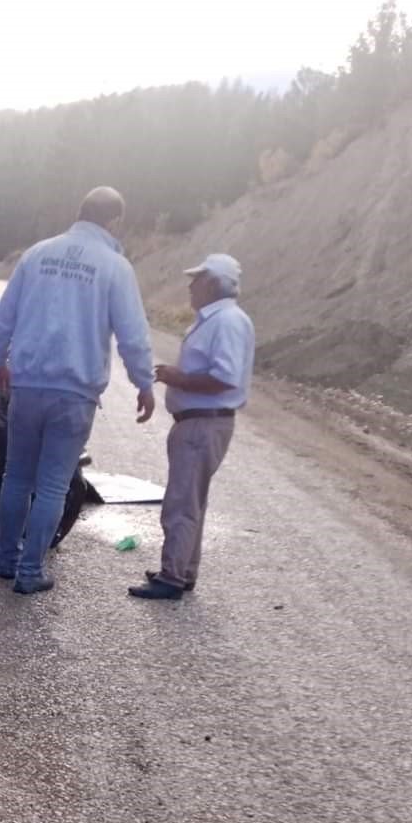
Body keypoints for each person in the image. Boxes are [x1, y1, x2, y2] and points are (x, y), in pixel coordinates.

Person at [0, 186, 156, 594]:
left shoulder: (37, 254)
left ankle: (6, 559)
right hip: (74, 394)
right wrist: (144, 382)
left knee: (16, 477)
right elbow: (132, 335)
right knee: (51, 486)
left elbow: (5, 315)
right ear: (113, 221)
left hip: (27, 386)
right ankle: (30, 573)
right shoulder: (115, 267)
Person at [128, 253, 254, 601]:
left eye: (197, 279)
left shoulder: (225, 322)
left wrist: (177, 378)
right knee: (192, 500)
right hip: (204, 422)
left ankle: (171, 577)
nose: (190, 285)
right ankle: (183, 571)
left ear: (213, 284)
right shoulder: (222, 319)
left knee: (182, 501)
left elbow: (224, 378)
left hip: (202, 423)